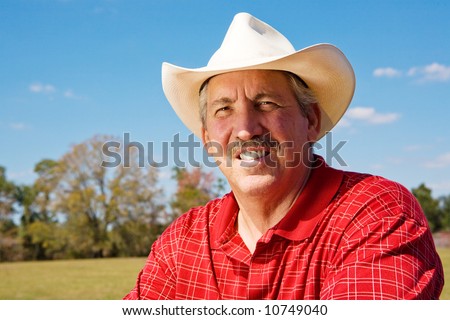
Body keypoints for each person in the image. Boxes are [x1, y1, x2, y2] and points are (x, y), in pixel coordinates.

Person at [124, 12, 444, 300]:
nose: (246, 130)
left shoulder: (374, 213)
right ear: (208, 139)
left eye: (266, 103)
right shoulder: (183, 240)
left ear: (311, 122)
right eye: (224, 109)